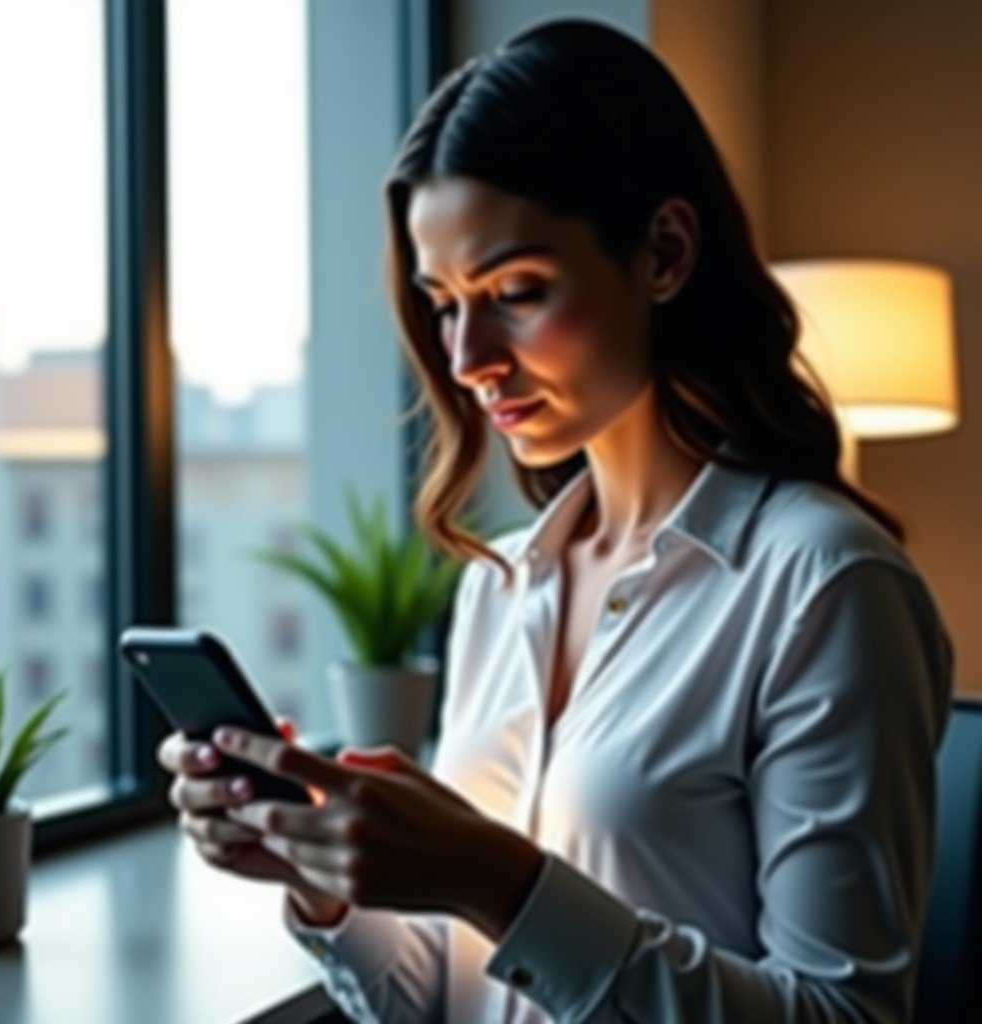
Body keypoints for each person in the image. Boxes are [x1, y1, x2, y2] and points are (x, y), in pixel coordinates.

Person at [158, 18, 954, 1023]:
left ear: (662, 252)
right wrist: (316, 878)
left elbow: (844, 1016)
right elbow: (438, 1002)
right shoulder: (500, 584)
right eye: (443, 302)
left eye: (516, 293)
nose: (466, 357)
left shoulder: (824, 587)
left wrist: (495, 877)